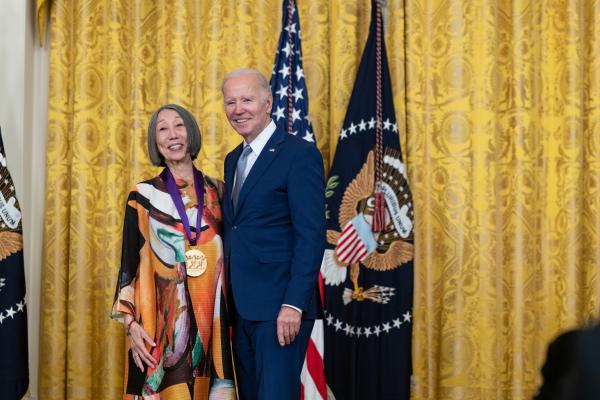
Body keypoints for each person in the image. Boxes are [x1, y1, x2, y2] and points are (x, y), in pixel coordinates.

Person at [111, 104, 235, 399]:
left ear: (190, 132)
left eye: (178, 125)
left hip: (214, 326)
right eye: (162, 129)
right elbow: (128, 263)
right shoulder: (143, 195)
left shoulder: (221, 192)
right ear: (156, 143)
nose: (172, 135)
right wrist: (130, 324)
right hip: (160, 326)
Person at [221, 68, 326, 400]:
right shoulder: (232, 160)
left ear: (268, 102)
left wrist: (293, 305)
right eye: (231, 102)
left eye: (247, 100)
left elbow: (311, 235)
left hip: (280, 309)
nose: (239, 109)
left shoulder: (298, 154)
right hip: (241, 307)